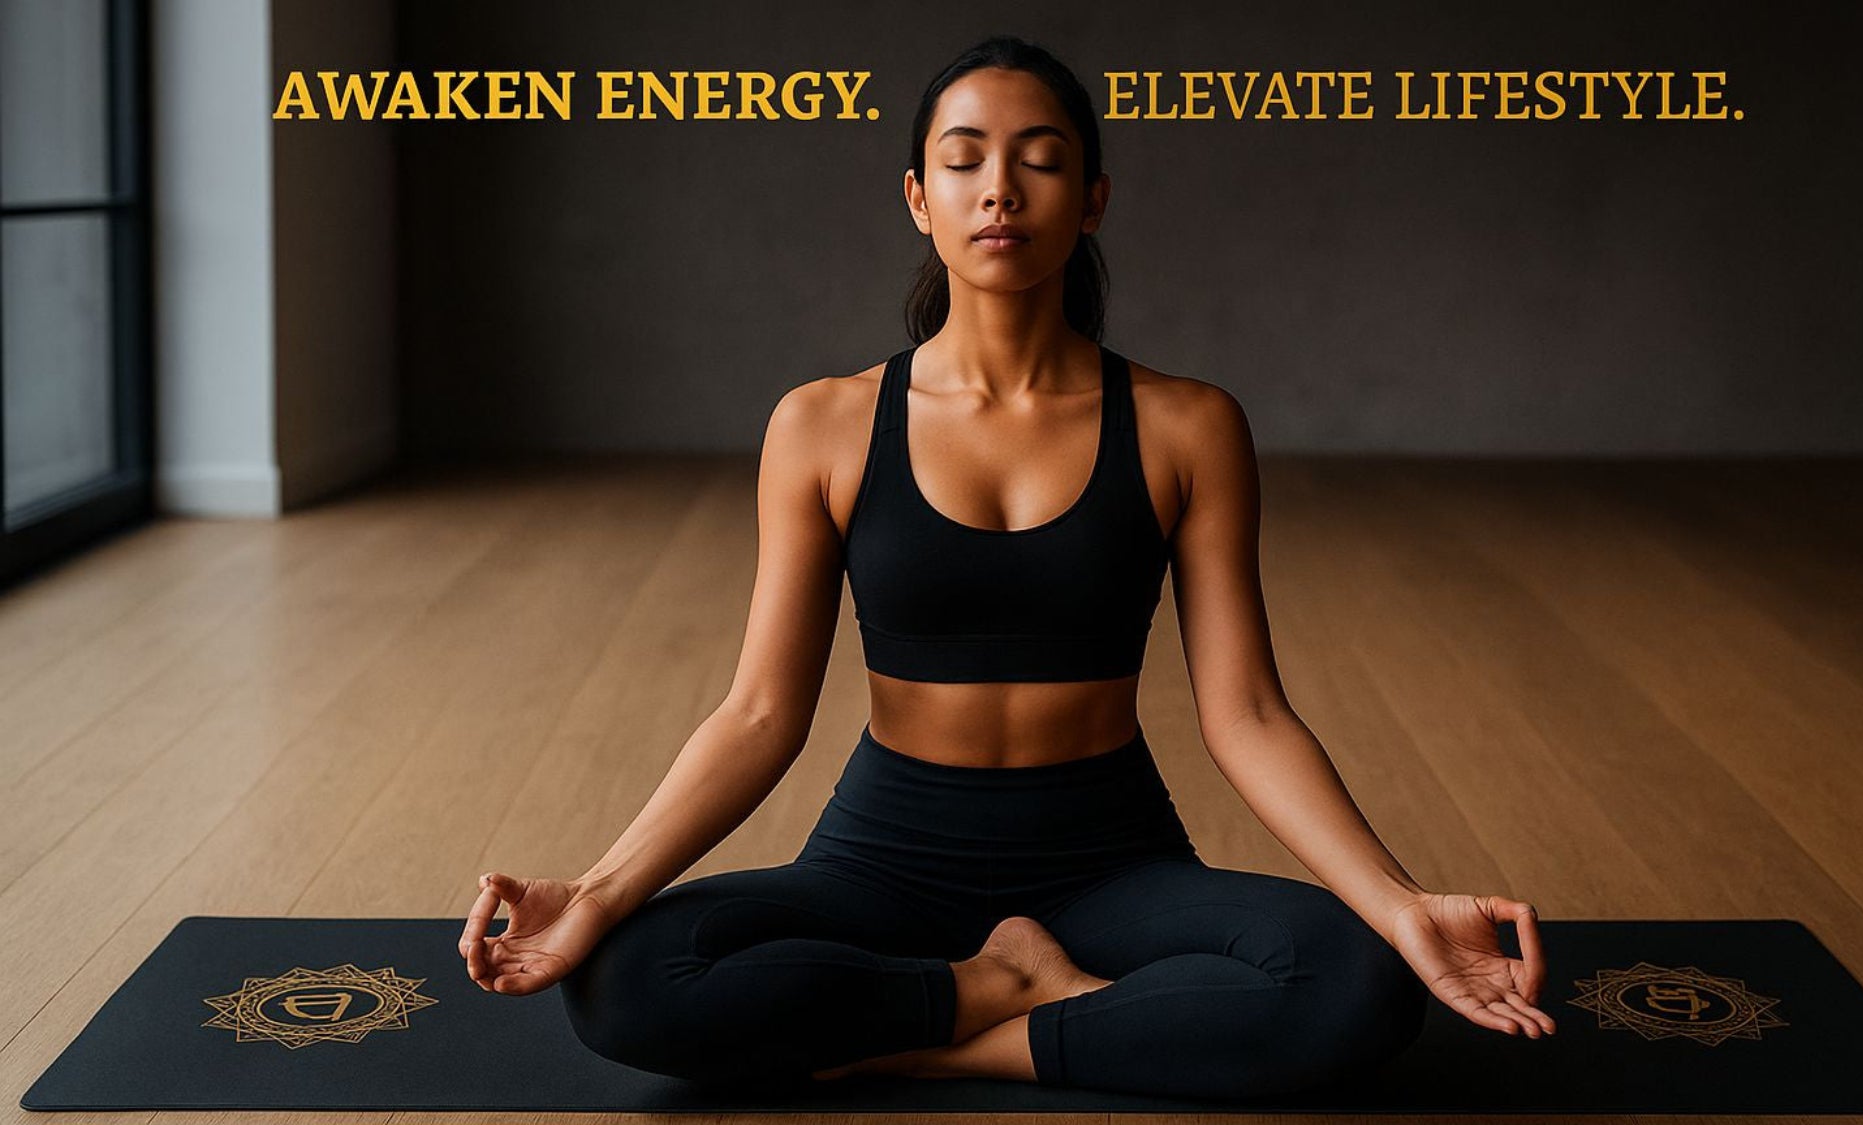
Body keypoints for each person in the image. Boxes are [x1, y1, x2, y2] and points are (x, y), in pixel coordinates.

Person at [458, 34, 1555, 1101]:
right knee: (624, 984)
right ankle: (999, 989)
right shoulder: (823, 425)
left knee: (1359, 981)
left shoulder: (1188, 426)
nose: (999, 189)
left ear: (1090, 201)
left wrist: (1399, 902)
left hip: (1109, 860)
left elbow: (1248, 714)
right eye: (964, 157)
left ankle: (933, 1042)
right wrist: (597, 894)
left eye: (1038, 159)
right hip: (883, 855)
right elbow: (757, 714)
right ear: (916, 198)